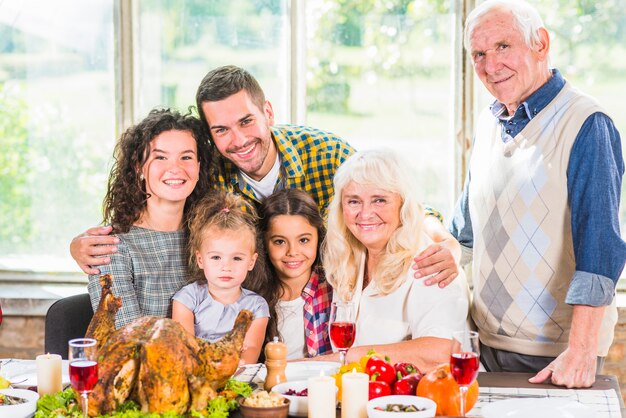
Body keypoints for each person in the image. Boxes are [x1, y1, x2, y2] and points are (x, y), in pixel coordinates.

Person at [71, 65, 461, 288]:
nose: (238, 140)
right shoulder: (205, 175)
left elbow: (394, 205)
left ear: (268, 113)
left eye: (246, 121)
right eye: (221, 130)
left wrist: (447, 245)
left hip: (328, 307)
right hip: (247, 312)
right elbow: (154, 207)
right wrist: (80, 247)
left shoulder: (325, 153)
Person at [450, 0, 625, 388]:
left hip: (557, 353)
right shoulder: (488, 122)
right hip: (485, 344)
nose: (490, 65)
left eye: (503, 47)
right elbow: (465, 233)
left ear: (541, 44)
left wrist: (581, 349)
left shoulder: (586, 124)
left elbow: (601, 250)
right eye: (478, 53)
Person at [319, 148, 469, 373]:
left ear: (403, 204)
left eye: (379, 200)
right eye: (353, 201)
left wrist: (346, 358)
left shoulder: (430, 262)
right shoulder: (349, 256)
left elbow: (441, 354)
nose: (365, 213)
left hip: (436, 400)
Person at [87, 108, 213, 328]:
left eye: (186, 157)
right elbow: (127, 343)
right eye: (161, 157)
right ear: (139, 167)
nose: (175, 168)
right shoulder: (113, 248)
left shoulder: (211, 236)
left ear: (199, 166)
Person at [172, 192, 269, 364]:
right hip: (196, 373)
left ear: (251, 262)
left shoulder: (256, 306)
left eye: (237, 258)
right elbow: (184, 346)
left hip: (238, 375)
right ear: (200, 259)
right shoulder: (187, 298)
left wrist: (232, 369)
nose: (226, 266)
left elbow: (251, 351)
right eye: (216, 258)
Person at [252, 188, 333, 359]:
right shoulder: (252, 298)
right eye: (280, 242)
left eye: (303, 240)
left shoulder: (336, 290)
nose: (292, 252)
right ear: (264, 244)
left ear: (319, 238)